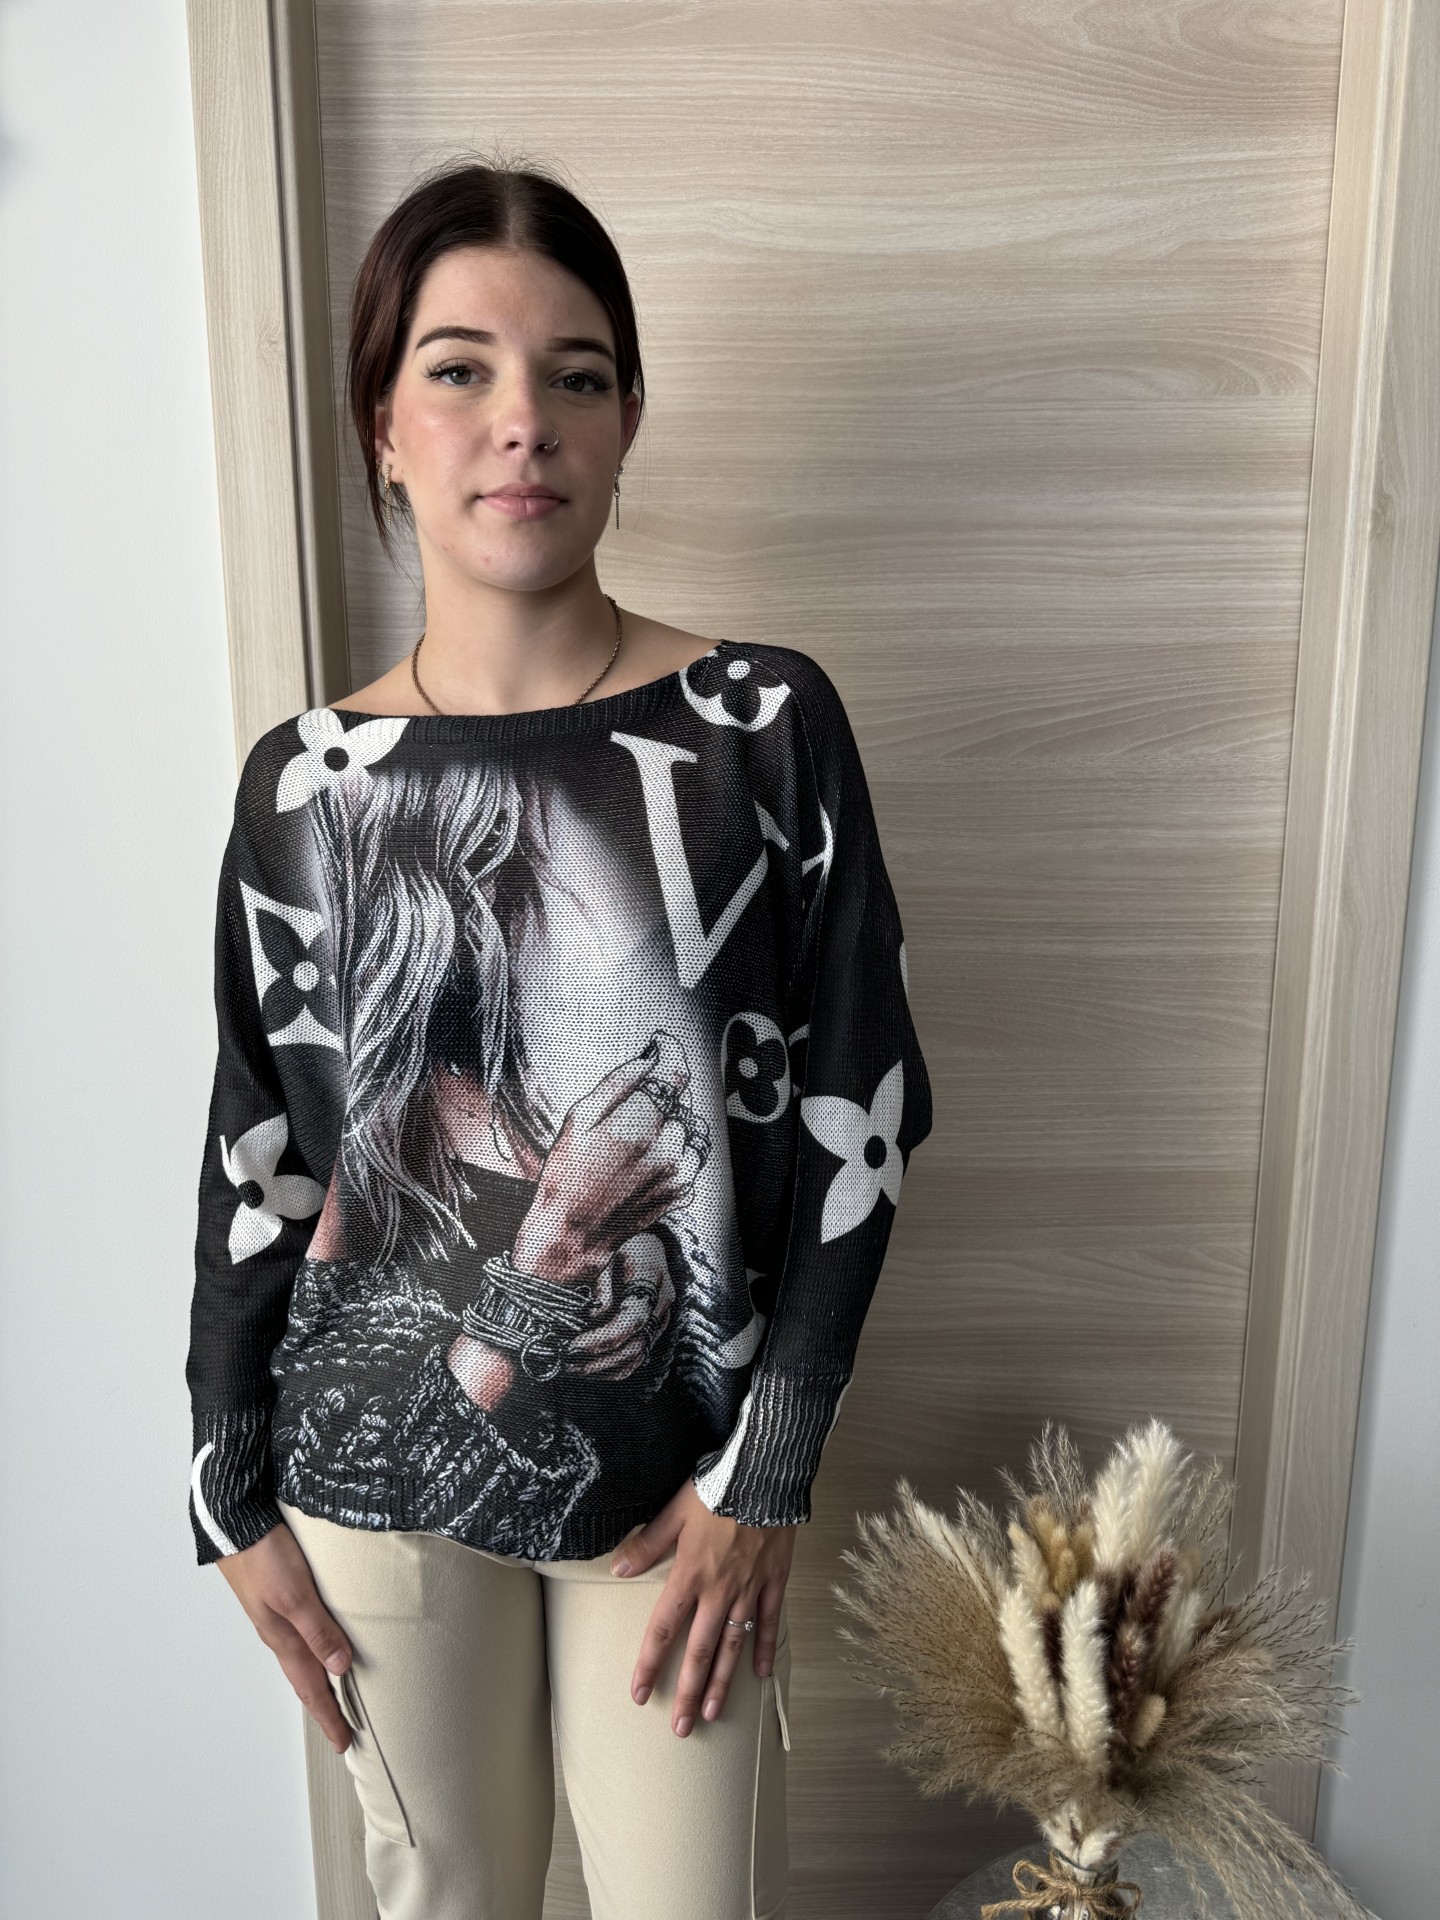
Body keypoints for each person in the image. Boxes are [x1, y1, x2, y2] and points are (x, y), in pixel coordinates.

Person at [186, 155, 934, 1920]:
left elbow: (870, 1105)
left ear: (625, 420)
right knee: (448, 1899)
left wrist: (770, 1470)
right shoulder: (304, 785)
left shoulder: (761, 722)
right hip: (376, 1472)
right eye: (458, 369)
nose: (521, 418)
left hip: (678, 1488)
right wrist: (224, 1488)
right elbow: (257, 1152)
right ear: (382, 427)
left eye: (574, 374)